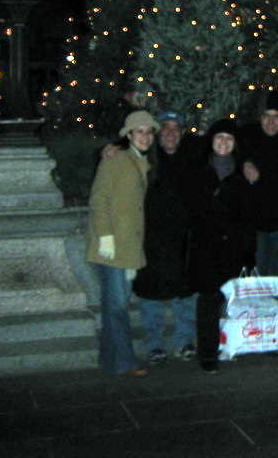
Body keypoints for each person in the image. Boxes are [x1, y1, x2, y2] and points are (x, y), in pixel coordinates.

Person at [86, 109, 159, 377]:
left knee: (114, 307)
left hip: (127, 248)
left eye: (149, 131)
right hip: (112, 247)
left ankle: (110, 361)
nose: (145, 136)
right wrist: (106, 236)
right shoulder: (116, 160)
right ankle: (125, 362)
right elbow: (98, 199)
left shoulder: (141, 162)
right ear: (128, 135)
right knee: (117, 308)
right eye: (139, 131)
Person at [187, 117, 255, 373]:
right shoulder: (199, 170)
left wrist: (249, 252)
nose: (223, 143)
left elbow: (249, 216)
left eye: (228, 138)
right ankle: (207, 354)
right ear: (211, 142)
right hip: (206, 248)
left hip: (233, 249)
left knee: (230, 301)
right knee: (208, 301)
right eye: (219, 138)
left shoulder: (242, 173)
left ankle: (230, 345)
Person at [131, 110, 197, 364]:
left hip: (182, 241)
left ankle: (185, 341)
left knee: (185, 295)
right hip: (151, 241)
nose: (170, 133)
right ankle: (155, 345)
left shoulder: (191, 160)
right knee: (151, 297)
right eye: (165, 128)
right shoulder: (144, 161)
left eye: (175, 128)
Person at [240, 91, 278, 354]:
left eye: (277, 118)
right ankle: (255, 334)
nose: (271, 123)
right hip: (256, 227)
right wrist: (243, 165)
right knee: (257, 282)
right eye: (266, 117)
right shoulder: (247, 139)